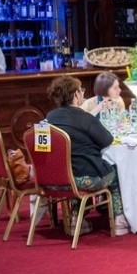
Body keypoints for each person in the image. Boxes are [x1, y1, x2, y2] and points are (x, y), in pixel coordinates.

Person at [43, 75, 127, 235]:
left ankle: (77, 221)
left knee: (74, 166)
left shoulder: (49, 117)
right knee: (114, 171)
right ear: (75, 95)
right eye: (81, 90)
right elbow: (107, 139)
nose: (83, 93)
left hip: (55, 178)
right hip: (84, 180)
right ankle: (119, 221)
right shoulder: (83, 117)